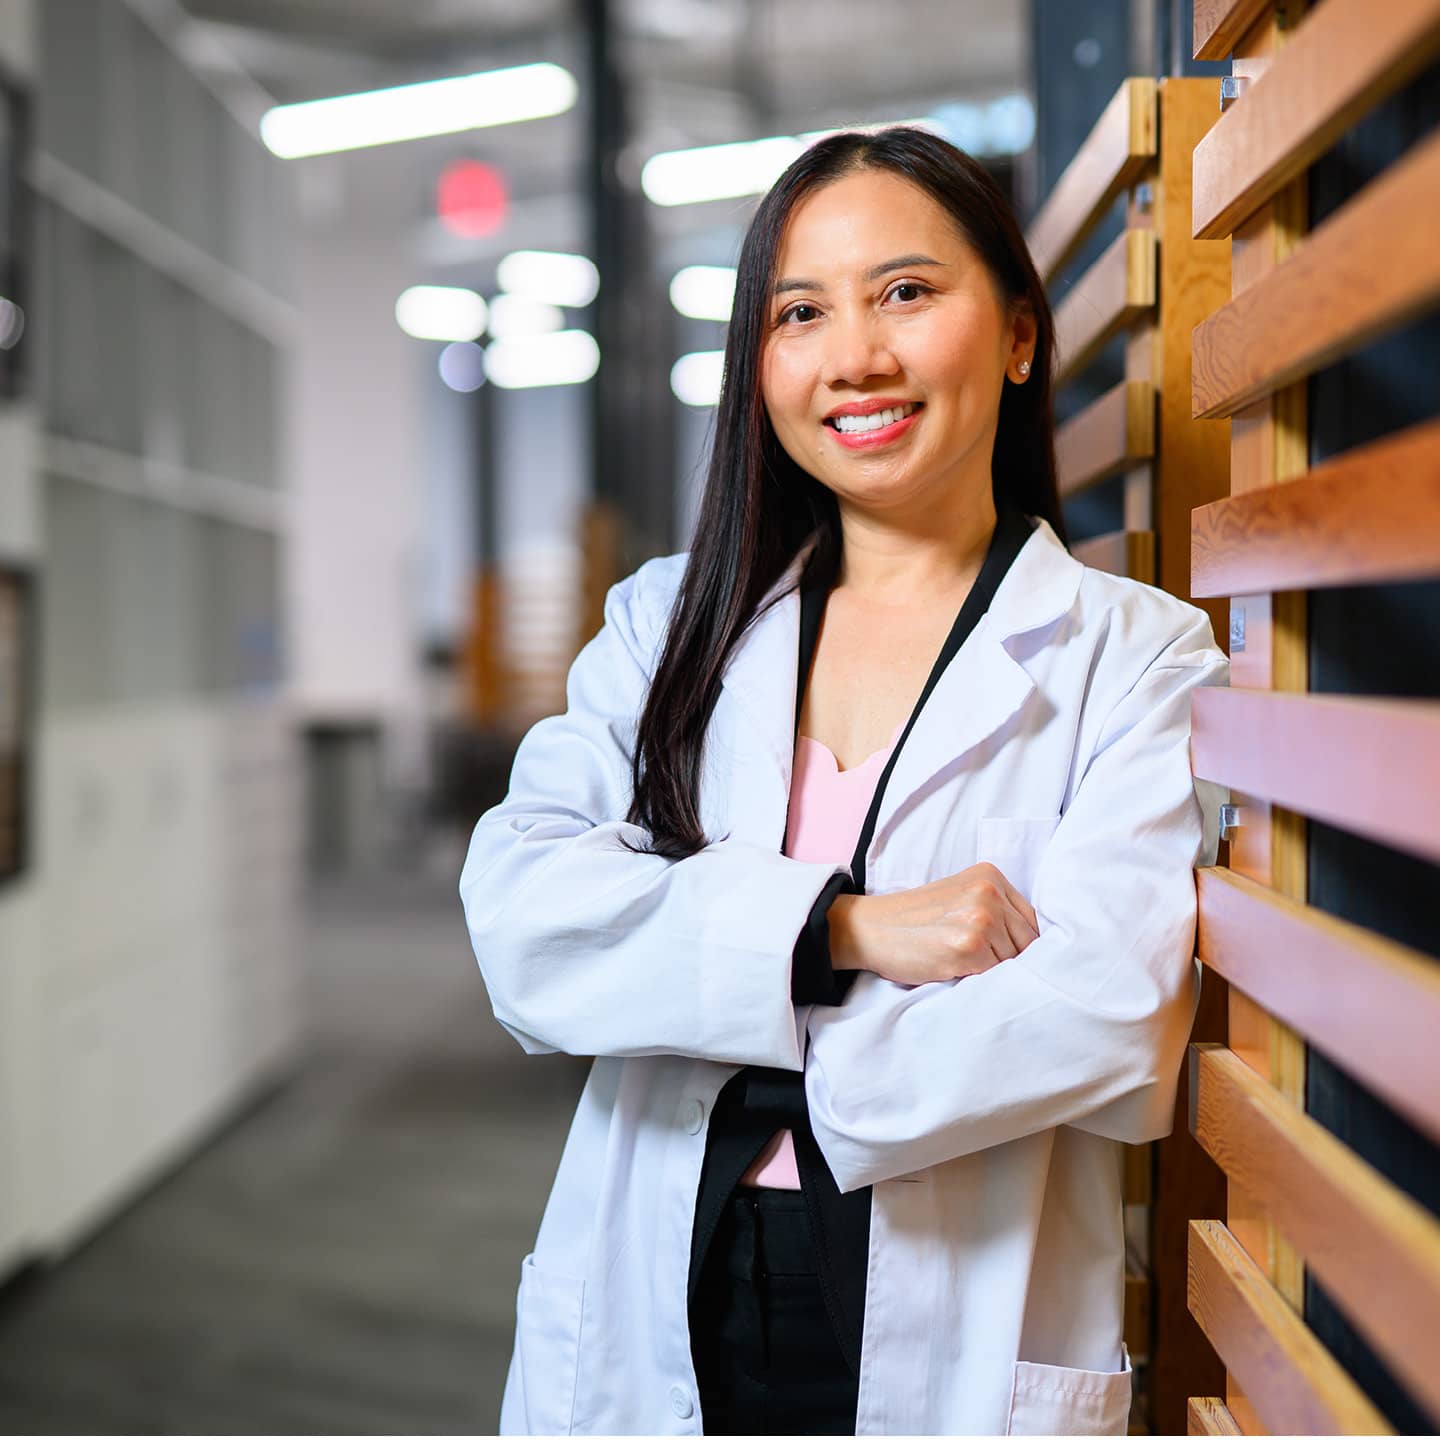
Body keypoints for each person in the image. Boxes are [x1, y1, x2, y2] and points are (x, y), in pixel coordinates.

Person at [459, 125, 1228, 1437]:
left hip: (956, 1309)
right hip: (659, 1282)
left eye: (907, 293)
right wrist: (838, 935)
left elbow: (1110, 1010)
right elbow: (525, 921)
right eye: (800, 311)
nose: (854, 356)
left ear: (1021, 333)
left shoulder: (1133, 657)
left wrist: (761, 1036)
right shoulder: (666, 629)